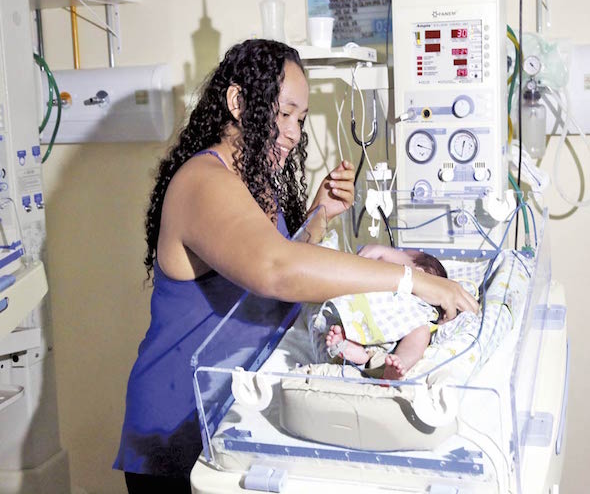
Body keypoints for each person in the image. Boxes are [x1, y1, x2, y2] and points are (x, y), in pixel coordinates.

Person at [113, 39, 478, 493]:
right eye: (284, 113)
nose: (293, 132)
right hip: (178, 423)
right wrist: (412, 281)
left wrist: (318, 216)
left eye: (301, 119)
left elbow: (268, 261)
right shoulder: (203, 182)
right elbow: (276, 271)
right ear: (237, 102)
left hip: (236, 408)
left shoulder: (252, 181)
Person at [319, 244, 450, 380]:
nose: (399, 253)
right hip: (367, 326)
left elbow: (392, 259)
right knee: (420, 332)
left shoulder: (420, 305)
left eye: (405, 254)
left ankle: (399, 363)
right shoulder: (389, 287)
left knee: (421, 333)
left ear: (420, 272)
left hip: (390, 345)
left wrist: (383, 251)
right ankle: (359, 354)